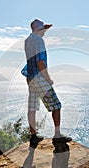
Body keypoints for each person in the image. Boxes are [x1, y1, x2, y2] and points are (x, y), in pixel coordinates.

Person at [24, 19, 72, 148]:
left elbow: (31, 60)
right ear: (39, 30)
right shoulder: (39, 41)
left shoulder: (28, 40)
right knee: (56, 106)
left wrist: (45, 27)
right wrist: (48, 78)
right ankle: (57, 137)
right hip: (40, 78)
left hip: (30, 78)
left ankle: (33, 137)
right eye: (43, 30)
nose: (45, 32)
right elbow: (40, 62)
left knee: (32, 107)